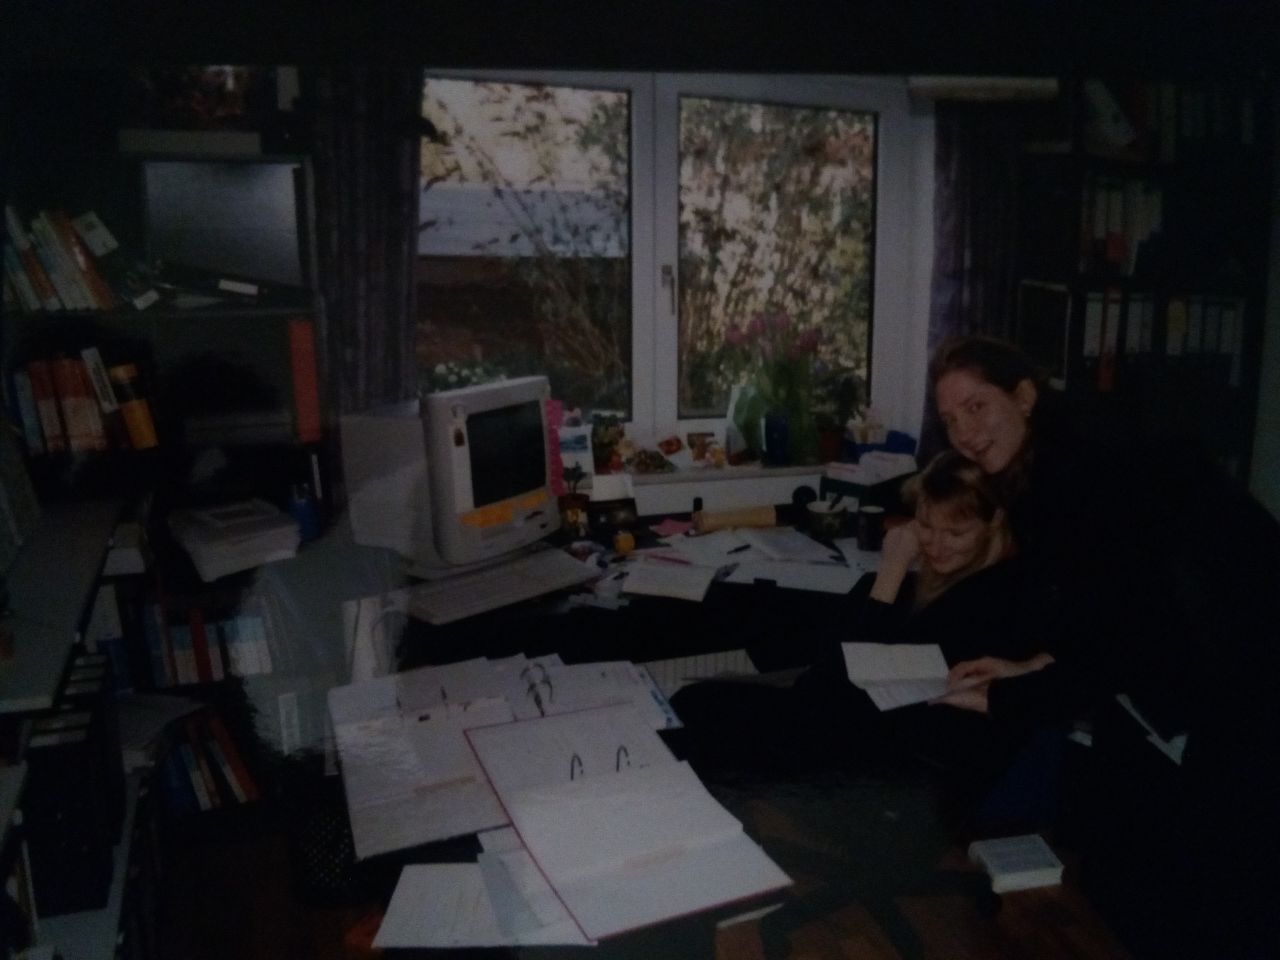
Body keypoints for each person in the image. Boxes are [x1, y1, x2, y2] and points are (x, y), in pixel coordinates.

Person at [924, 333, 1280, 958]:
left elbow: (1122, 641)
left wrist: (1004, 697)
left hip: (1248, 668)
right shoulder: (1041, 466)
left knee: (1220, 893)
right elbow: (1093, 615)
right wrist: (1027, 665)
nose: (965, 432)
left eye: (977, 406)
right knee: (1131, 878)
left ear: (1023, 395)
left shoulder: (1085, 472)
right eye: (951, 418)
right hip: (1184, 669)